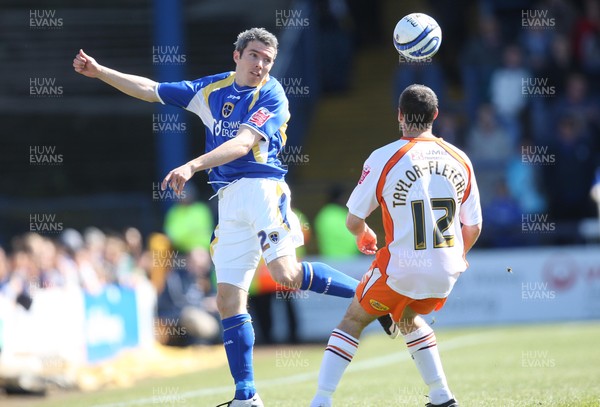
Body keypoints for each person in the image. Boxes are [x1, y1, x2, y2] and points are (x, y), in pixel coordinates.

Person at [73, 27, 393, 407]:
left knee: (286, 275)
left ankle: (374, 295)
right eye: (255, 55)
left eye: (268, 60)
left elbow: (243, 143)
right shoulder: (211, 90)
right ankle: (246, 396)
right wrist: (101, 71)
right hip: (227, 199)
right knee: (227, 299)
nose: (261, 65)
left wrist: (193, 164)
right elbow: (150, 89)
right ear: (237, 55)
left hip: (262, 190)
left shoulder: (272, 94)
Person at [310, 85, 482, 407]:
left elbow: (352, 220)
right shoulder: (461, 158)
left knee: (353, 319)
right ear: (435, 115)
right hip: (446, 271)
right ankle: (442, 395)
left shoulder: (385, 157)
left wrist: (362, 233)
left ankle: (321, 399)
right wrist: (455, 257)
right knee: (406, 318)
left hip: (400, 268)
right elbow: (473, 226)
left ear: (400, 116)